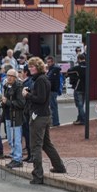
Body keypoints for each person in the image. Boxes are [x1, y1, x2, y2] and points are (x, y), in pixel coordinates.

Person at [23, 57, 66, 185]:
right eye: (29, 66)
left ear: (39, 67)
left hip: (39, 116)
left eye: (33, 66)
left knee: (35, 145)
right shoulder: (42, 79)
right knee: (46, 143)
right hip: (44, 115)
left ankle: (38, 175)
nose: (30, 68)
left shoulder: (40, 80)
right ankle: (59, 166)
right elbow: (42, 95)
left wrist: (27, 95)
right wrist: (31, 92)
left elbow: (40, 98)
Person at [2, 69, 25, 168]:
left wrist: (6, 102)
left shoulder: (18, 87)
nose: (9, 77)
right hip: (8, 115)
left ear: (16, 77)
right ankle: (14, 155)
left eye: (11, 76)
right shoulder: (7, 86)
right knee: (11, 139)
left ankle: (18, 159)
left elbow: (21, 103)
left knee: (16, 139)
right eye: (8, 75)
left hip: (16, 116)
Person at [67, 53, 87, 125]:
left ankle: (83, 119)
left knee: (79, 105)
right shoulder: (88, 66)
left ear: (79, 59)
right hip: (86, 88)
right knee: (82, 104)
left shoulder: (78, 68)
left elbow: (69, 71)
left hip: (78, 87)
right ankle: (80, 119)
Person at [45, 56, 61, 127]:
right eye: (47, 62)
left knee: (53, 106)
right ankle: (54, 121)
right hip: (52, 90)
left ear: (52, 62)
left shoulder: (54, 70)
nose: (48, 64)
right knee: (53, 106)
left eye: (49, 62)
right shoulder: (52, 69)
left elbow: (49, 78)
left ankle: (55, 122)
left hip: (52, 90)